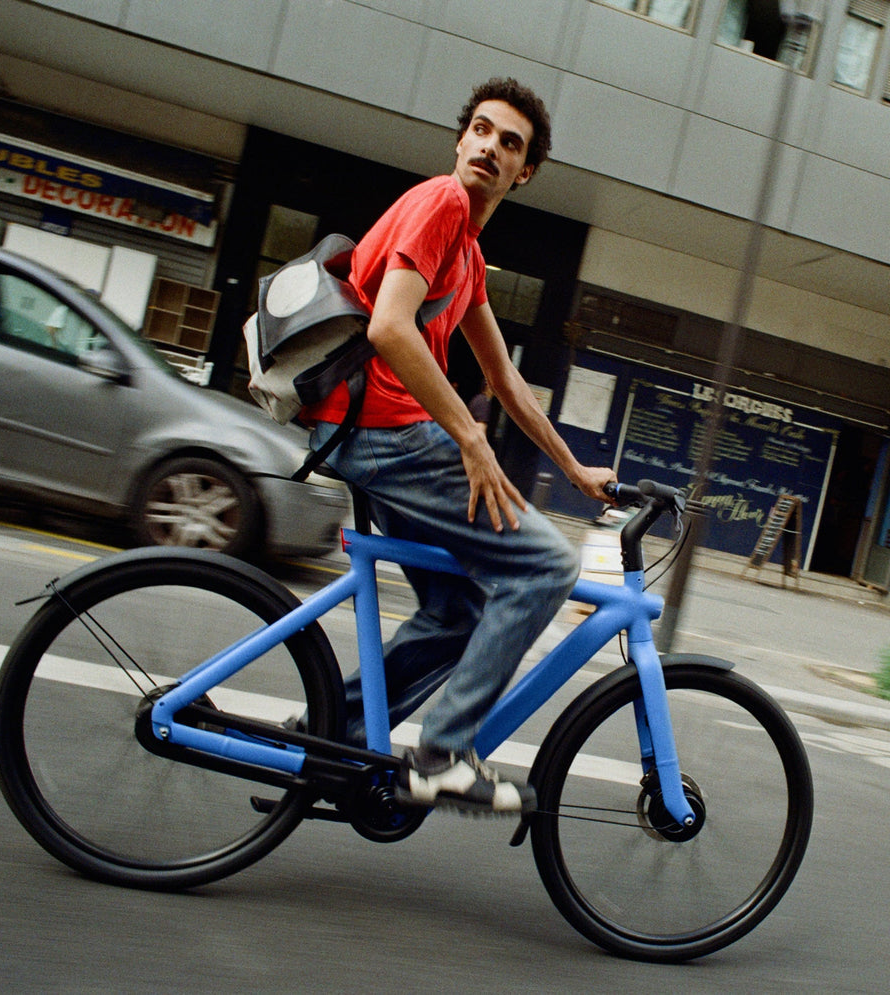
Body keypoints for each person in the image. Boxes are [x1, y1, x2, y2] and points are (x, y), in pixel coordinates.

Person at [302, 78, 614, 816]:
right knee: (547, 565)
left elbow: (504, 378)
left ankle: (326, 734)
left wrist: (573, 470)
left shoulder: (467, 253)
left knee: (460, 610)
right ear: (460, 139)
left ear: (524, 171)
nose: (489, 146)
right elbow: (389, 328)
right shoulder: (441, 203)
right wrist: (469, 438)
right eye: (480, 129)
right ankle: (443, 753)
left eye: (510, 142)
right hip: (382, 431)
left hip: (372, 434)